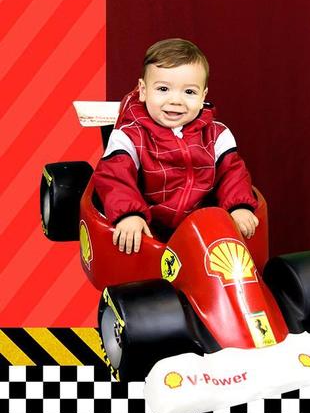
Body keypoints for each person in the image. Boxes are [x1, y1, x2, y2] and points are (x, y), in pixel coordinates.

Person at [94, 38, 259, 254]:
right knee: (134, 233)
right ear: (143, 91)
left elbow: (232, 174)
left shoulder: (216, 135)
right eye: (163, 89)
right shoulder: (130, 136)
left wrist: (238, 206)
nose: (176, 100)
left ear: (203, 96)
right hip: (149, 228)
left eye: (189, 92)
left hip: (203, 229)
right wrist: (129, 214)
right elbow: (114, 177)